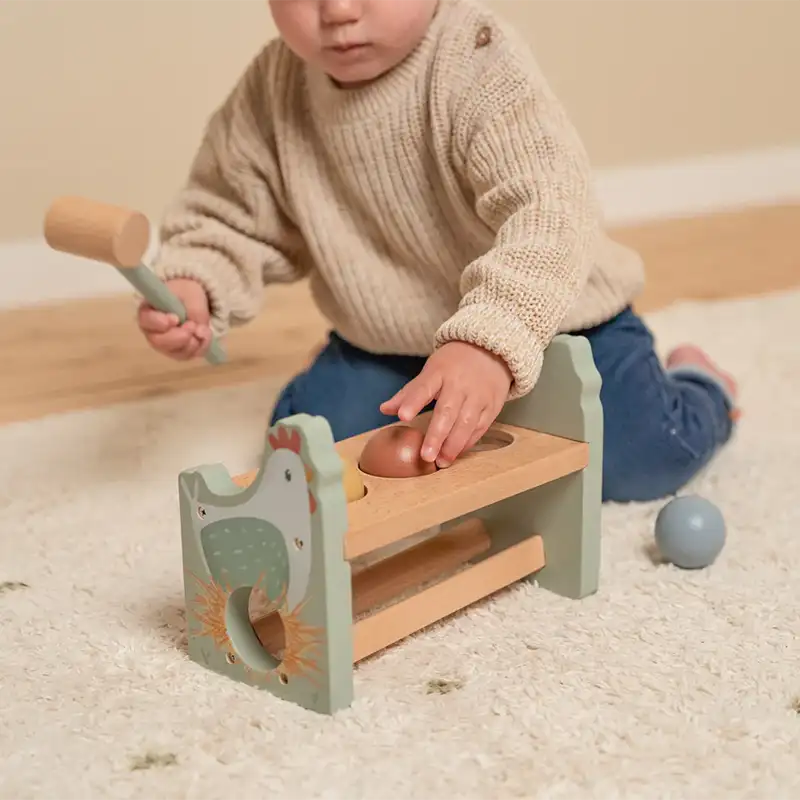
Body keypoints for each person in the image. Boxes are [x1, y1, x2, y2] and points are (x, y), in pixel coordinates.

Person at [137, 0, 738, 502]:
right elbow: (229, 212)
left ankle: (701, 383)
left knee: (647, 454)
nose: (339, 10)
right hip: (392, 341)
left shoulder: (476, 59)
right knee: (312, 456)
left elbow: (549, 209)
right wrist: (198, 284)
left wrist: (488, 341)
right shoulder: (272, 91)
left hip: (555, 319)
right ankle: (393, 389)